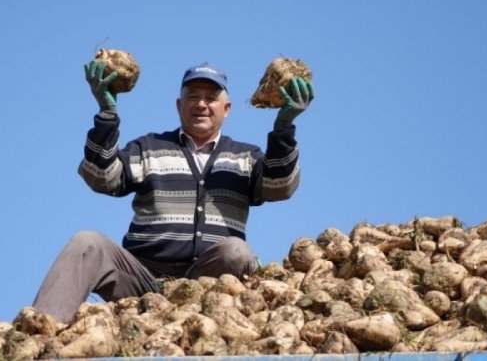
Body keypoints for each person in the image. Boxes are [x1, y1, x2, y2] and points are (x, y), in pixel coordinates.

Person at [32, 60, 314, 322]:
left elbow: (280, 186)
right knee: (86, 242)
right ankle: (39, 330)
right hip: (140, 279)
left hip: (209, 283)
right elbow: (101, 177)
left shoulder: (245, 157)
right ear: (179, 105)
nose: (201, 104)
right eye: (193, 96)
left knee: (237, 251)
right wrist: (107, 116)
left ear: (226, 109)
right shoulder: (149, 147)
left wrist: (284, 128)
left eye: (211, 97)